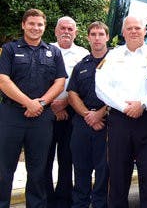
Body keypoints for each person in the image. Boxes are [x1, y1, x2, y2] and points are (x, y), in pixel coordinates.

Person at [0, 9, 67, 208]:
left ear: (44, 28)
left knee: (38, 171)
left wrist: (41, 103)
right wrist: (29, 103)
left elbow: (60, 81)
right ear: (23, 25)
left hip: (41, 118)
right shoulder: (9, 49)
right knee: (4, 170)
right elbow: (3, 80)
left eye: (39, 24)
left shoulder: (53, 52)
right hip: (11, 116)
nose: (35, 28)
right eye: (31, 23)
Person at [95, 15, 147, 208]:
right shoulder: (113, 56)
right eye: (129, 28)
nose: (133, 31)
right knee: (118, 174)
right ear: (123, 33)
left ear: (145, 31)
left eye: (137, 28)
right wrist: (124, 107)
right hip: (119, 121)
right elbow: (101, 87)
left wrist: (144, 104)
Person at [45, 16, 89, 208]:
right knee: (43, 160)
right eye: (62, 28)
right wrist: (52, 107)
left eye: (70, 29)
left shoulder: (83, 53)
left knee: (67, 159)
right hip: (45, 112)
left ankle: (64, 201)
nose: (66, 32)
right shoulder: (46, 50)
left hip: (71, 113)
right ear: (55, 31)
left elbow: (84, 86)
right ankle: (46, 199)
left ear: (76, 33)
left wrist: (65, 104)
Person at [67, 21, 110, 208]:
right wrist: (88, 115)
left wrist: (100, 114)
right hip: (82, 124)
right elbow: (72, 94)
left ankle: (100, 204)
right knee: (81, 169)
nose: (97, 38)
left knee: (104, 171)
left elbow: (122, 92)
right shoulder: (81, 65)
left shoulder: (117, 62)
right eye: (93, 34)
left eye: (101, 34)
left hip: (108, 123)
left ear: (107, 37)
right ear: (88, 38)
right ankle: (80, 204)